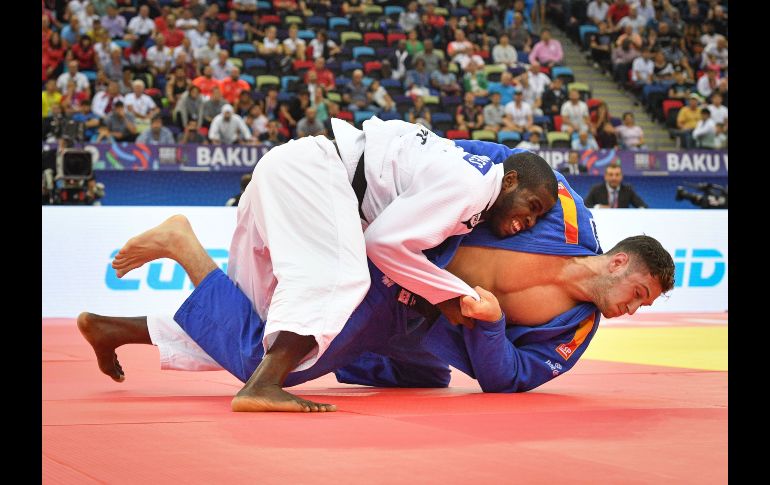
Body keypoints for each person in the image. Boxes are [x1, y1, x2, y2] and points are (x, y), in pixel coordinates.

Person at [80, 153, 673, 410]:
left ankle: (115, 328)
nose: (632, 310)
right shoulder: (563, 209)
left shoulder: (573, 330)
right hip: (388, 278)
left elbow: (509, 380)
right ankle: (190, 253)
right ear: (619, 263)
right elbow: (492, 166)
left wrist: (491, 325)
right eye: (638, 296)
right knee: (270, 358)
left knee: (424, 377)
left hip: (422, 332)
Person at [110, 118, 559, 412]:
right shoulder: (474, 185)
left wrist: (439, 292)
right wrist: (451, 296)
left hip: (295, 170)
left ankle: (114, 328)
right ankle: (260, 384)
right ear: (511, 180)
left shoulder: (467, 176)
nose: (527, 222)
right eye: (531, 206)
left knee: (259, 323)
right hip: (317, 177)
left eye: (538, 219)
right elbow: (384, 243)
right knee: (341, 279)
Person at [584, 163, 648, 208]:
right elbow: (585, 206)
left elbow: (642, 206)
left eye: (617, 175)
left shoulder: (628, 189)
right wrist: (598, 207)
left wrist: (641, 210)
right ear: (605, 176)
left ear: (621, 176)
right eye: (611, 175)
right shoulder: (596, 189)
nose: (614, 178)